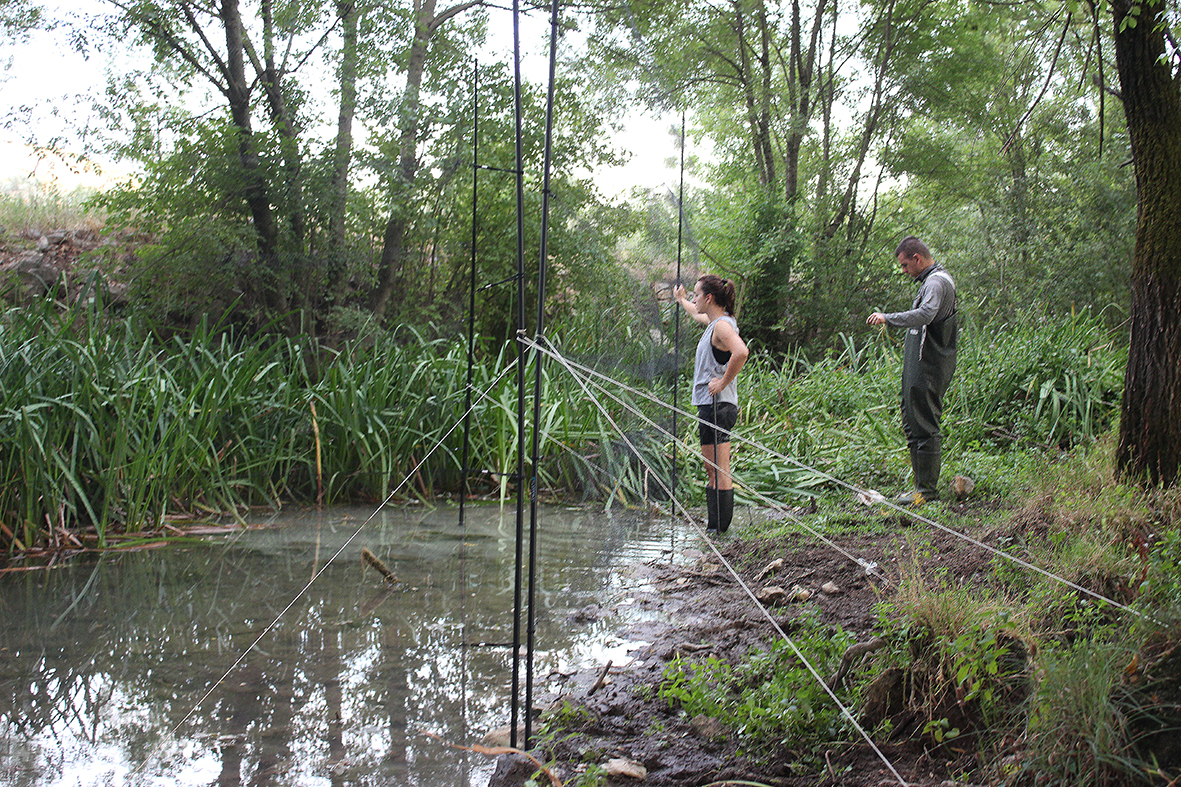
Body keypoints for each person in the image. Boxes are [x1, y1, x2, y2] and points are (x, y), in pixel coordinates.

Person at [867, 236, 958, 506]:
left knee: (925, 424)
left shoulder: (937, 282)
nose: (904, 271)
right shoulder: (930, 281)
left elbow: (926, 314)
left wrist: (888, 318)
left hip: (930, 366)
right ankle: (920, 489)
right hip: (919, 365)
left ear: (917, 258)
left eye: (905, 265)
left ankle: (926, 491)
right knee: (913, 422)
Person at [674, 275, 749, 532]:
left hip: (718, 405)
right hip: (711, 406)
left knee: (719, 469)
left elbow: (741, 352)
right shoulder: (715, 322)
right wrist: (681, 299)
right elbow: (696, 314)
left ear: (709, 298)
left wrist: (723, 382)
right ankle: (714, 526)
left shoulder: (722, 327)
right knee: (712, 468)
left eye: (696, 295)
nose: (694, 299)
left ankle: (720, 531)